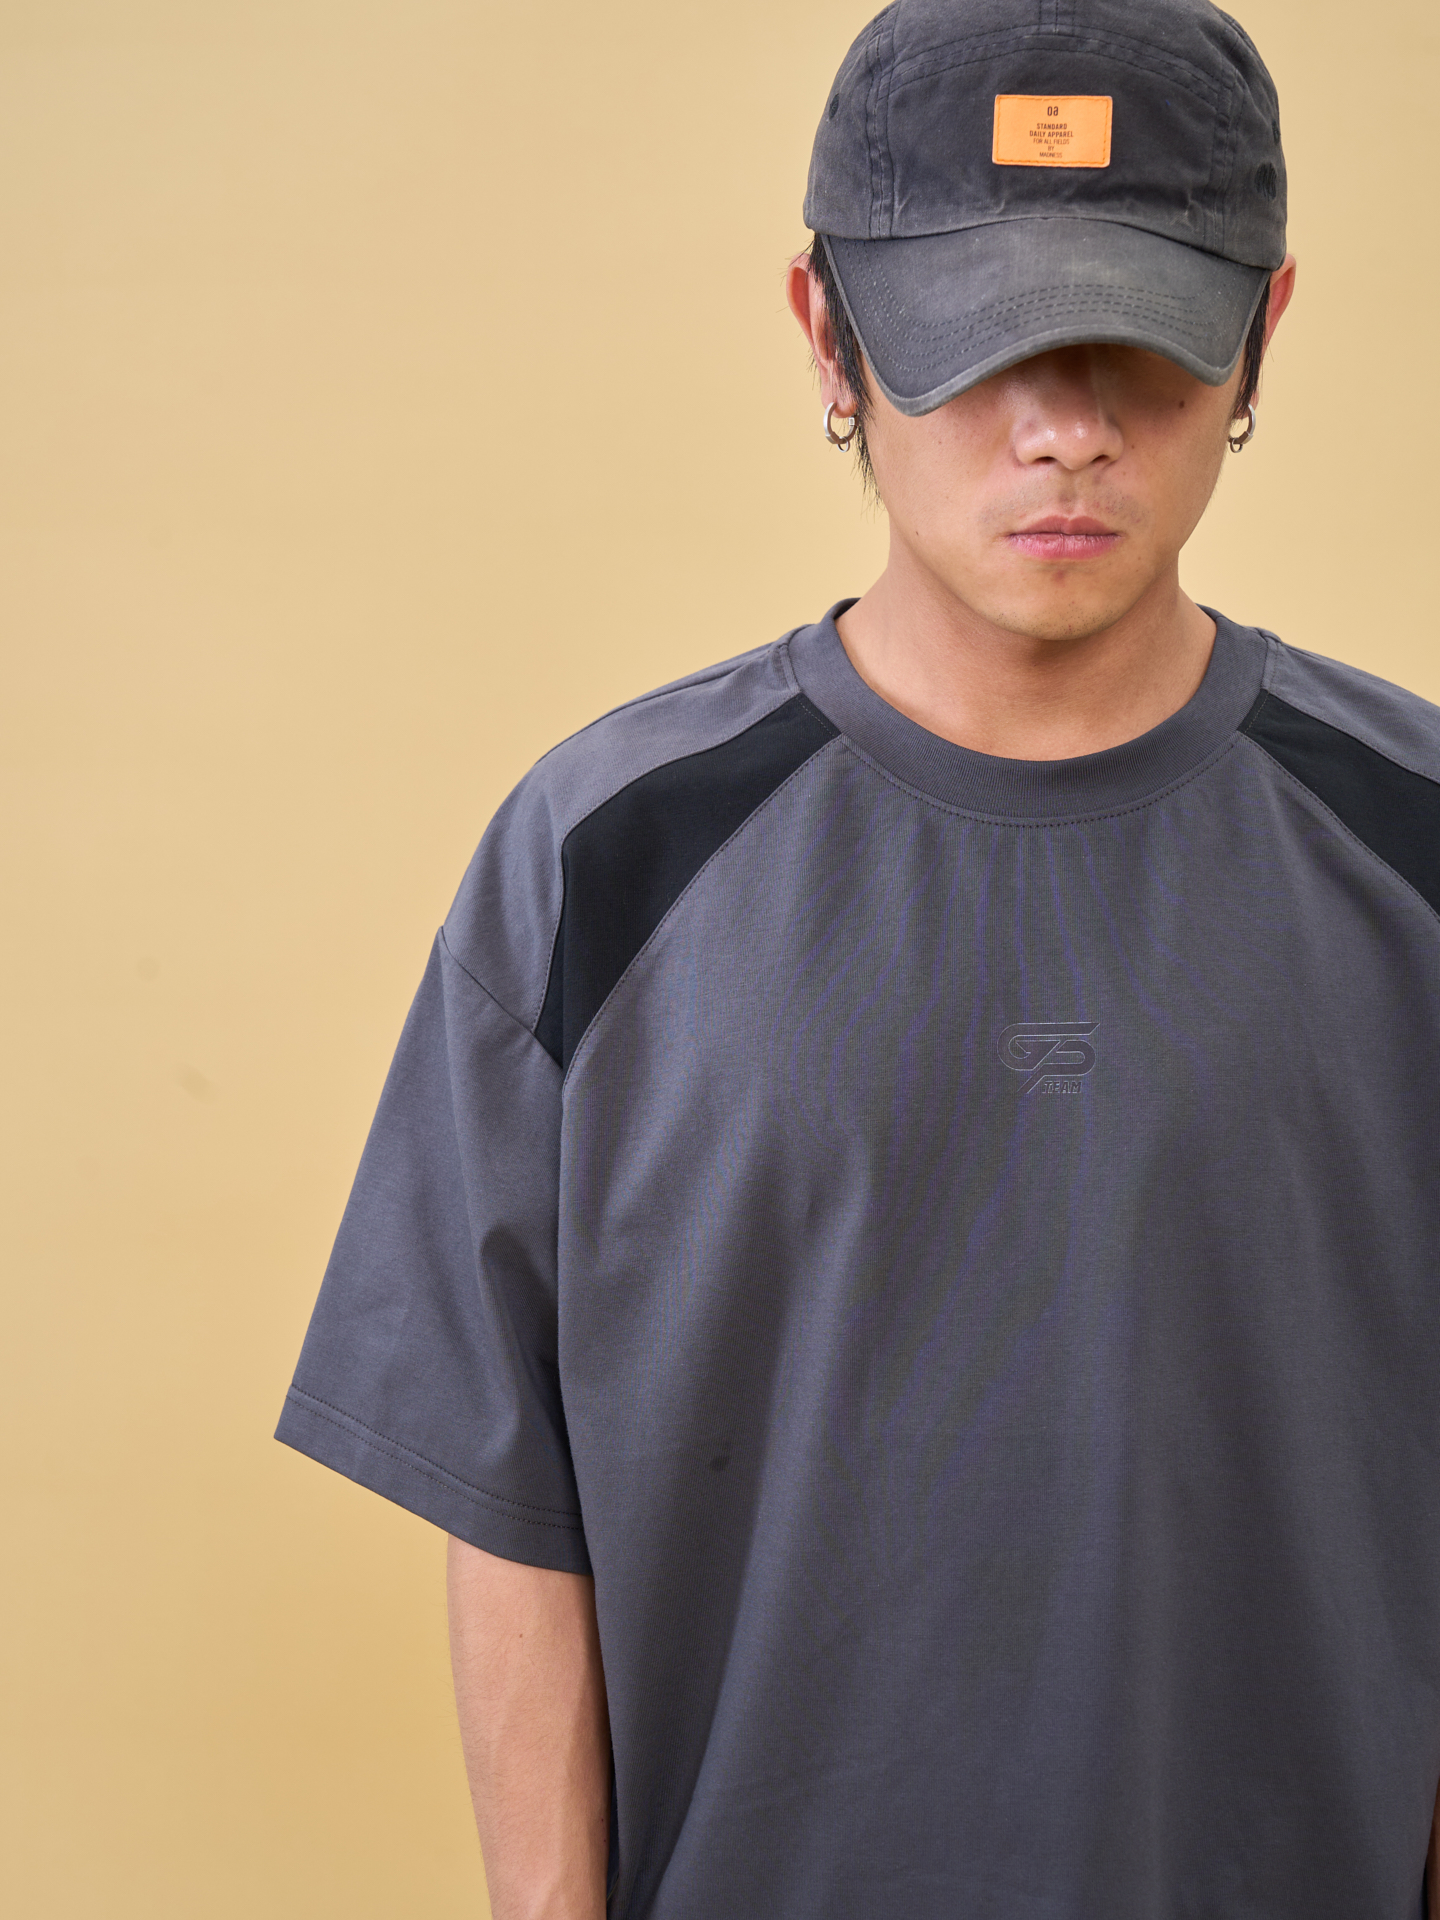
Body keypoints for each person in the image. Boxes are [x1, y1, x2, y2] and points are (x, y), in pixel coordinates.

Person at [276, 0, 1440, 1913]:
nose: (1064, 428)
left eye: (1143, 343)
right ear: (828, 334)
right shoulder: (603, 860)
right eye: (977, 342)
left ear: (1264, 334)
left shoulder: (1415, 859)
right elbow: (512, 1500)